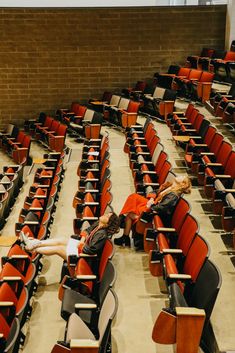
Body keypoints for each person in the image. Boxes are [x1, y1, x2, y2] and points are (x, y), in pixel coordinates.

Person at [114, 176, 191, 247]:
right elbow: (155, 191)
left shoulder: (173, 195)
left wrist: (150, 207)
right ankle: (123, 222)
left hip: (155, 212)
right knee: (133, 197)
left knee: (130, 215)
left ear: (182, 183)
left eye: (182, 177)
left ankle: (124, 231)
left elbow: (161, 207)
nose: (180, 175)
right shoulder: (170, 186)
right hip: (153, 203)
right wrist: (151, 198)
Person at [20, 212, 120, 260]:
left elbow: (91, 250)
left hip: (84, 257)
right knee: (62, 239)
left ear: (108, 223)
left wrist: (81, 245)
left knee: (58, 248)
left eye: (107, 216)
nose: (105, 214)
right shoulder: (99, 224)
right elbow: (87, 230)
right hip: (82, 246)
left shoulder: (102, 234)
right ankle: (34, 243)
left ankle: (32, 248)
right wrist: (82, 239)